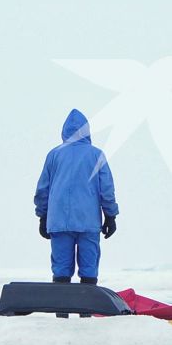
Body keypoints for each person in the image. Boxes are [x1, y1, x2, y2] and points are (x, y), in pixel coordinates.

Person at [34, 109, 120, 286]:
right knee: (89, 268)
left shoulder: (54, 155)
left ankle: (61, 311)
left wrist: (42, 216)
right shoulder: (96, 155)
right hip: (88, 221)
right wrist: (110, 216)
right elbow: (107, 189)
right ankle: (86, 312)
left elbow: (43, 189)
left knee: (61, 270)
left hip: (58, 221)